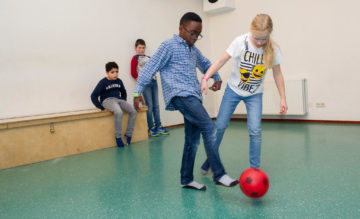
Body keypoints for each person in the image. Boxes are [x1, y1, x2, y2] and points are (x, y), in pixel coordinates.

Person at [133, 12, 238, 191]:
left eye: (198, 34)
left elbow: (205, 63)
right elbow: (150, 67)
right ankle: (219, 175)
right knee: (209, 127)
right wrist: (137, 93)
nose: (195, 37)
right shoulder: (168, 46)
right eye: (192, 33)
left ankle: (186, 179)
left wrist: (217, 76)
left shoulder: (193, 49)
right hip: (180, 94)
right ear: (181, 29)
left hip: (194, 95)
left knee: (192, 140)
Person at [200, 14, 288, 173]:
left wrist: (283, 98)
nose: (260, 42)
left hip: (255, 95)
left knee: (255, 130)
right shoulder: (240, 41)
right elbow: (221, 60)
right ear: (251, 31)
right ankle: (210, 160)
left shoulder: (272, 49)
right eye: (257, 38)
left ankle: (255, 169)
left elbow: (277, 74)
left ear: (269, 34)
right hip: (233, 91)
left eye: (264, 39)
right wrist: (206, 77)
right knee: (219, 126)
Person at [91, 62, 137, 147]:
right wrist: (101, 107)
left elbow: (123, 92)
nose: (115, 74)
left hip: (118, 99)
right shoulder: (103, 82)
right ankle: (118, 137)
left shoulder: (119, 81)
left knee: (133, 111)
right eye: (112, 72)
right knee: (119, 112)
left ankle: (128, 134)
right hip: (107, 100)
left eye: (116, 71)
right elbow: (93, 95)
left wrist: (123, 101)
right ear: (107, 73)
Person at [131, 39, 169, 137]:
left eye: (143, 48)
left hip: (154, 81)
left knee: (156, 105)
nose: (141, 50)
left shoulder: (149, 57)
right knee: (149, 105)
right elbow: (133, 72)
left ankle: (158, 126)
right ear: (136, 48)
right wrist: (141, 82)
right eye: (139, 48)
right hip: (145, 84)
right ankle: (151, 127)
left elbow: (154, 68)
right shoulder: (135, 58)